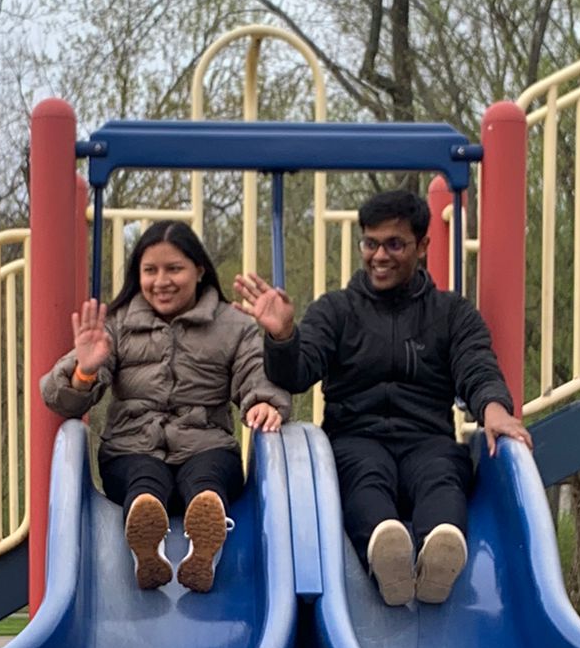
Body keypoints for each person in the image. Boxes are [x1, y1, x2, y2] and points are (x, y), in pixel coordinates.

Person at [234, 189, 531, 606]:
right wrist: (282, 336)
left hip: (426, 437)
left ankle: (440, 552)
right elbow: (296, 374)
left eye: (395, 244)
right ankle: (384, 550)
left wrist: (494, 410)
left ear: (423, 246)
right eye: (370, 243)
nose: (379, 255)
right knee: (363, 476)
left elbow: (475, 366)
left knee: (444, 474)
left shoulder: (451, 314)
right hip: (356, 437)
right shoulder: (336, 311)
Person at [41, 220, 290, 592]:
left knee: (208, 481)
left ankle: (204, 554)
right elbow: (60, 397)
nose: (162, 281)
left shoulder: (233, 325)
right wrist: (84, 371)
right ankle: (147, 548)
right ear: (137, 274)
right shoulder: (118, 326)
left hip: (206, 444)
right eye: (150, 270)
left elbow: (255, 371)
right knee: (144, 483)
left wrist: (266, 402)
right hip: (132, 447)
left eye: (174, 268)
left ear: (199, 270)